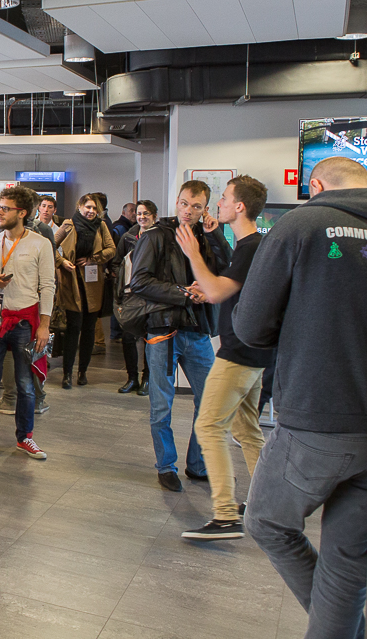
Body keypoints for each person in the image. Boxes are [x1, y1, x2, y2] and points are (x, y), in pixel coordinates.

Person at [233, 157, 367, 637]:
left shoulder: (302, 224)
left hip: (317, 414)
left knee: (267, 522)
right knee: (347, 564)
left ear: (315, 185)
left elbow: (251, 326)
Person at [174, 176, 274, 541]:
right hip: (254, 351)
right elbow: (229, 289)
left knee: (208, 427)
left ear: (240, 207)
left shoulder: (251, 247)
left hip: (239, 354)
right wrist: (208, 287)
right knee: (247, 430)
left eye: (225, 198)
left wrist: (193, 255)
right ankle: (266, 502)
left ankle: (225, 515)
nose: (219, 204)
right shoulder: (251, 245)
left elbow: (218, 292)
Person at [129, 180, 230, 492]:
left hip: (197, 331)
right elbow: (139, 282)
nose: (188, 211)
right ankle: (166, 466)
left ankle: (198, 464)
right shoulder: (156, 235)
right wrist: (183, 292)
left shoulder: (207, 235)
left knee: (211, 400)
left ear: (205, 208)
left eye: (196, 206)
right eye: (185, 203)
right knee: (162, 405)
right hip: (163, 329)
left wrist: (215, 236)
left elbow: (227, 268)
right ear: (177, 201)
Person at [0, 185, 54, 462]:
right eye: (0, 207)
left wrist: (44, 325)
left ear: (22, 213)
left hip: (25, 323)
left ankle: (25, 437)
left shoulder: (40, 244)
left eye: (6, 209)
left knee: (25, 385)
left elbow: (48, 286)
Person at [52, 194, 116, 389]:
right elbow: (50, 246)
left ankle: (83, 372)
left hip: (92, 283)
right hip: (72, 282)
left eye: (94, 208)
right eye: (88, 207)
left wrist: (93, 259)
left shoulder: (101, 226)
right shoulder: (69, 225)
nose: (91, 211)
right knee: (73, 328)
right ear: (79, 207)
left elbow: (111, 249)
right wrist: (62, 262)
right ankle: (67, 373)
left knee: (89, 329)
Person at [114, 200, 157, 395]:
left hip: (152, 296)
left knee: (149, 338)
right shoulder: (128, 237)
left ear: (154, 216)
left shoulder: (160, 237)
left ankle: (147, 378)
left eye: (146, 213)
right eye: (139, 213)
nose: (142, 217)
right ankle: (132, 378)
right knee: (128, 337)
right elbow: (116, 263)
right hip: (130, 295)